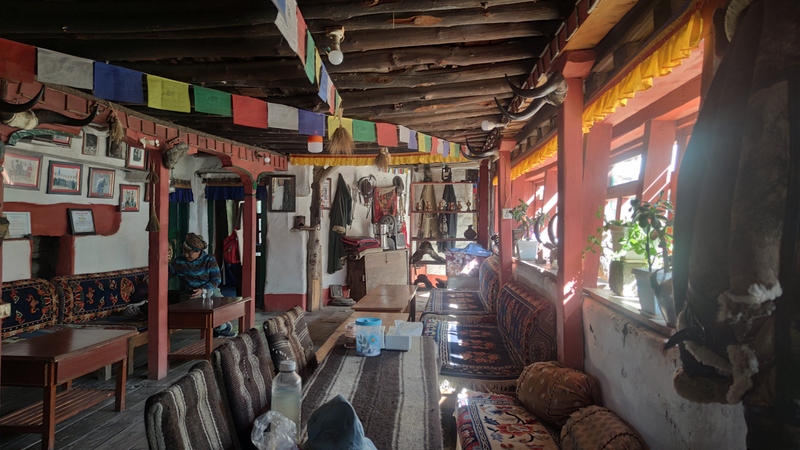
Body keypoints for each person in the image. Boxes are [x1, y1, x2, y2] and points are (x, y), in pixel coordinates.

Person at [169, 233, 234, 337]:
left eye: (189, 253)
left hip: (210, 290)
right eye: (184, 252)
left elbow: (216, 279)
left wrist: (204, 290)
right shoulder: (179, 262)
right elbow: (166, 274)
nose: (186, 255)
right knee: (201, 308)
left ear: (198, 251)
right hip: (190, 293)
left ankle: (220, 327)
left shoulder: (209, 260)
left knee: (220, 304)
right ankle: (221, 327)